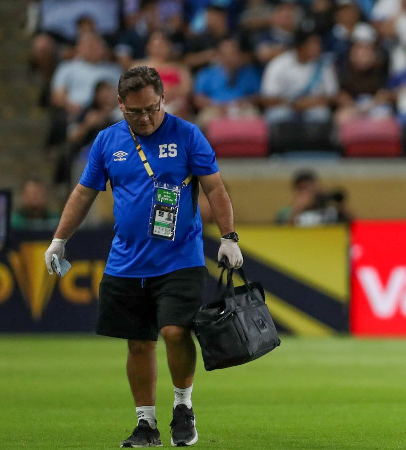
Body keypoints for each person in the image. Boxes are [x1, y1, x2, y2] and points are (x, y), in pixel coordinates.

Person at [43, 66, 243, 447]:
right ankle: (146, 425)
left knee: (174, 331)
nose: (146, 118)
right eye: (135, 112)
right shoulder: (106, 141)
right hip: (126, 261)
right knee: (138, 342)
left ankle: (183, 407)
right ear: (120, 105)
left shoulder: (187, 134)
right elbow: (84, 193)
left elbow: (216, 189)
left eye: (152, 108)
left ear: (163, 99)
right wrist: (59, 239)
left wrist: (229, 237)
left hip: (179, 256)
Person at [275, 169, 352, 227]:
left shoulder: (330, 210)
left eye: (311, 188)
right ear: (296, 191)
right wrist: (297, 209)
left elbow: (353, 226)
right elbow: (282, 234)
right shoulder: (285, 213)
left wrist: (341, 207)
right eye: (304, 189)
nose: (309, 193)